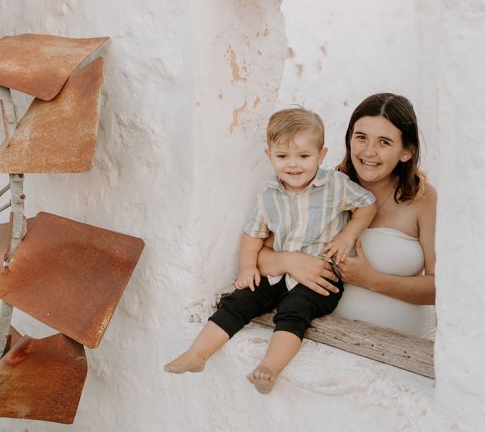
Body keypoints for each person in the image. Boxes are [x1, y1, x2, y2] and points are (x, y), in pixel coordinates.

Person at [164, 107, 377, 393]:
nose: (293, 165)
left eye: (304, 156)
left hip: (321, 277)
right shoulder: (268, 196)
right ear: (269, 156)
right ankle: (198, 353)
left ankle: (270, 367)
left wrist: (347, 236)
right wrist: (248, 268)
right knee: (240, 299)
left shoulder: (336, 186)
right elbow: (253, 235)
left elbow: (367, 204)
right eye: (282, 156)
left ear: (321, 155)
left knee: (295, 309)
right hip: (278, 274)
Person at [257, 93, 436, 340]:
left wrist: (371, 280)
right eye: (361, 137)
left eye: (384, 142)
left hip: (404, 355)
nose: (369, 151)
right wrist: (289, 262)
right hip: (331, 344)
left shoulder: (423, 199)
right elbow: (261, 256)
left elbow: (441, 289)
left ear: (406, 151)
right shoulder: (321, 188)